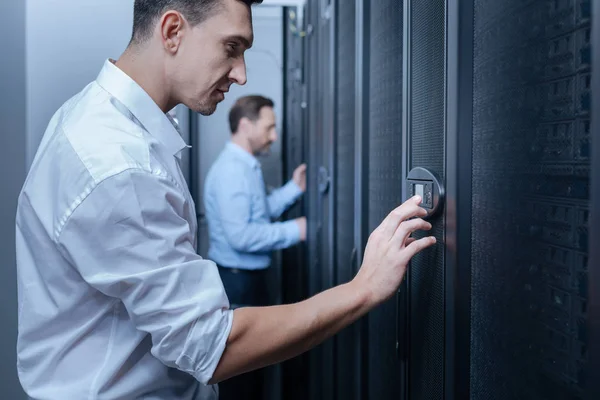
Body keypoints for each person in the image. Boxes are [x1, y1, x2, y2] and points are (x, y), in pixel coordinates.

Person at [14, 0, 436, 399]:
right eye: (232, 48)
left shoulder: (99, 123)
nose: (241, 74)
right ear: (173, 30)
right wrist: (363, 289)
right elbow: (211, 346)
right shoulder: (117, 164)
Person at [203, 95, 306, 398]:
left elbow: (258, 213)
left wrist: (293, 190)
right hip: (239, 284)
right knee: (243, 380)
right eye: (269, 128)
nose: (274, 136)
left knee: (254, 372)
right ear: (246, 126)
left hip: (249, 281)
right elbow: (242, 236)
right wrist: (294, 230)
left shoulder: (244, 166)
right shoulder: (232, 171)